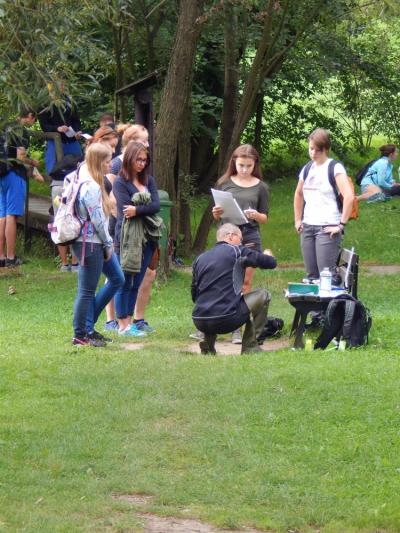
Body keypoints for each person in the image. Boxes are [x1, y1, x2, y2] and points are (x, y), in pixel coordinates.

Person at [199, 144, 269, 344]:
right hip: (227, 235)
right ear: (234, 163)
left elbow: (265, 217)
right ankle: (213, 323)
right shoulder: (225, 183)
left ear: (255, 164)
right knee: (223, 280)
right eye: (240, 165)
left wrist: (255, 215)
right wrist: (216, 213)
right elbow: (216, 214)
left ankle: (237, 328)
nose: (244, 170)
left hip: (249, 235)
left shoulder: (261, 187)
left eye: (248, 165)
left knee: (244, 283)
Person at [191, 223, 277, 355]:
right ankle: (251, 345)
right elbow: (269, 263)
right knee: (263, 295)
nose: (241, 242)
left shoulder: (200, 258)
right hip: (226, 320)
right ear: (231, 236)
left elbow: (194, 295)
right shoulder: (237, 251)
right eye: (240, 239)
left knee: (213, 303)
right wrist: (269, 255)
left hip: (199, 320)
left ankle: (208, 345)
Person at [108, 124, 158, 334]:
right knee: (124, 281)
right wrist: (141, 209)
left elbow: (155, 205)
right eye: (138, 159)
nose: (141, 163)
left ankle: (130, 322)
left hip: (148, 238)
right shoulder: (120, 182)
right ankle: (122, 324)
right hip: (127, 238)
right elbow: (123, 209)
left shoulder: (149, 180)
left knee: (136, 282)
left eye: (144, 160)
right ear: (129, 159)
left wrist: (138, 210)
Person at [293, 128, 354, 281]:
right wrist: (298, 220)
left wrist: (340, 225)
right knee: (311, 275)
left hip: (327, 227)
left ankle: (334, 304)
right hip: (307, 226)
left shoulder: (334, 167)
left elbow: (349, 196)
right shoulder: (307, 168)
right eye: (311, 149)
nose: (313, 153)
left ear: (326, 149)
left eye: (318, 150)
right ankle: (314, 306)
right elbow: (298, 194)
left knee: (326, 276)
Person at [70, 143, 116, 347]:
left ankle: (88, 327)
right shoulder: (90, 186)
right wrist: (108, 244)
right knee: (86, 290)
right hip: (89, 243)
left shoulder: (90, 179)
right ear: (98, 162)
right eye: (107, 162)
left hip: (95, 242)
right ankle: (80, 335)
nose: (111, 166)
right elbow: (97, 219)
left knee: (117, 277)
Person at [0, 109, 38, 267]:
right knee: (11, 216)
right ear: (29, 116)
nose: (33, 122)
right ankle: (11, 257)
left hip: (1, 173)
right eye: (34, 119)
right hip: (14, 174)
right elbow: (20, 156)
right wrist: (33, 163)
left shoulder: (4, 126)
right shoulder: (21, 131)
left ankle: (1, 257)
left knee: (1, 216)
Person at [38, 86, 82, 174]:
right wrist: (57, 128)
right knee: (53, 169)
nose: (62, 87)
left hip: (72, 140)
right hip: (55, 141)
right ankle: (54, 185)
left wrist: (78, 131)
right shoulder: (44, 104)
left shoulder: (69, 101)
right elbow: (44, 126)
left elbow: (76, 120)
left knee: (79, 165)